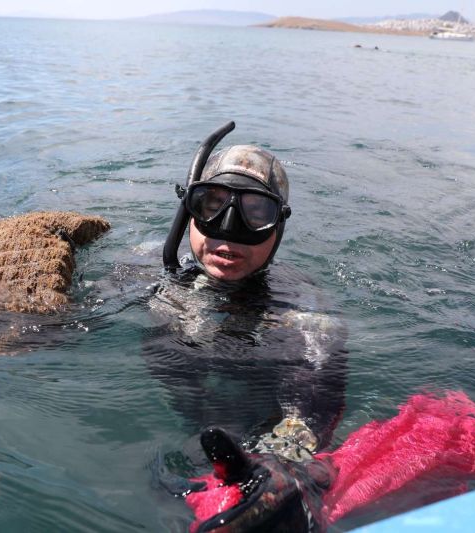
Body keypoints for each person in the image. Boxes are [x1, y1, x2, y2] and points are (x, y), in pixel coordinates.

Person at [149, 123, 348, 531]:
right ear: (189, 211)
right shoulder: (143, 270)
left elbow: (315, 380)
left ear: (278, 229)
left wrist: (280, 462)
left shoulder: (301, 309)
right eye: (212, 206)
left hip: (252, 418)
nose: (229, 232)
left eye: (255, 213)